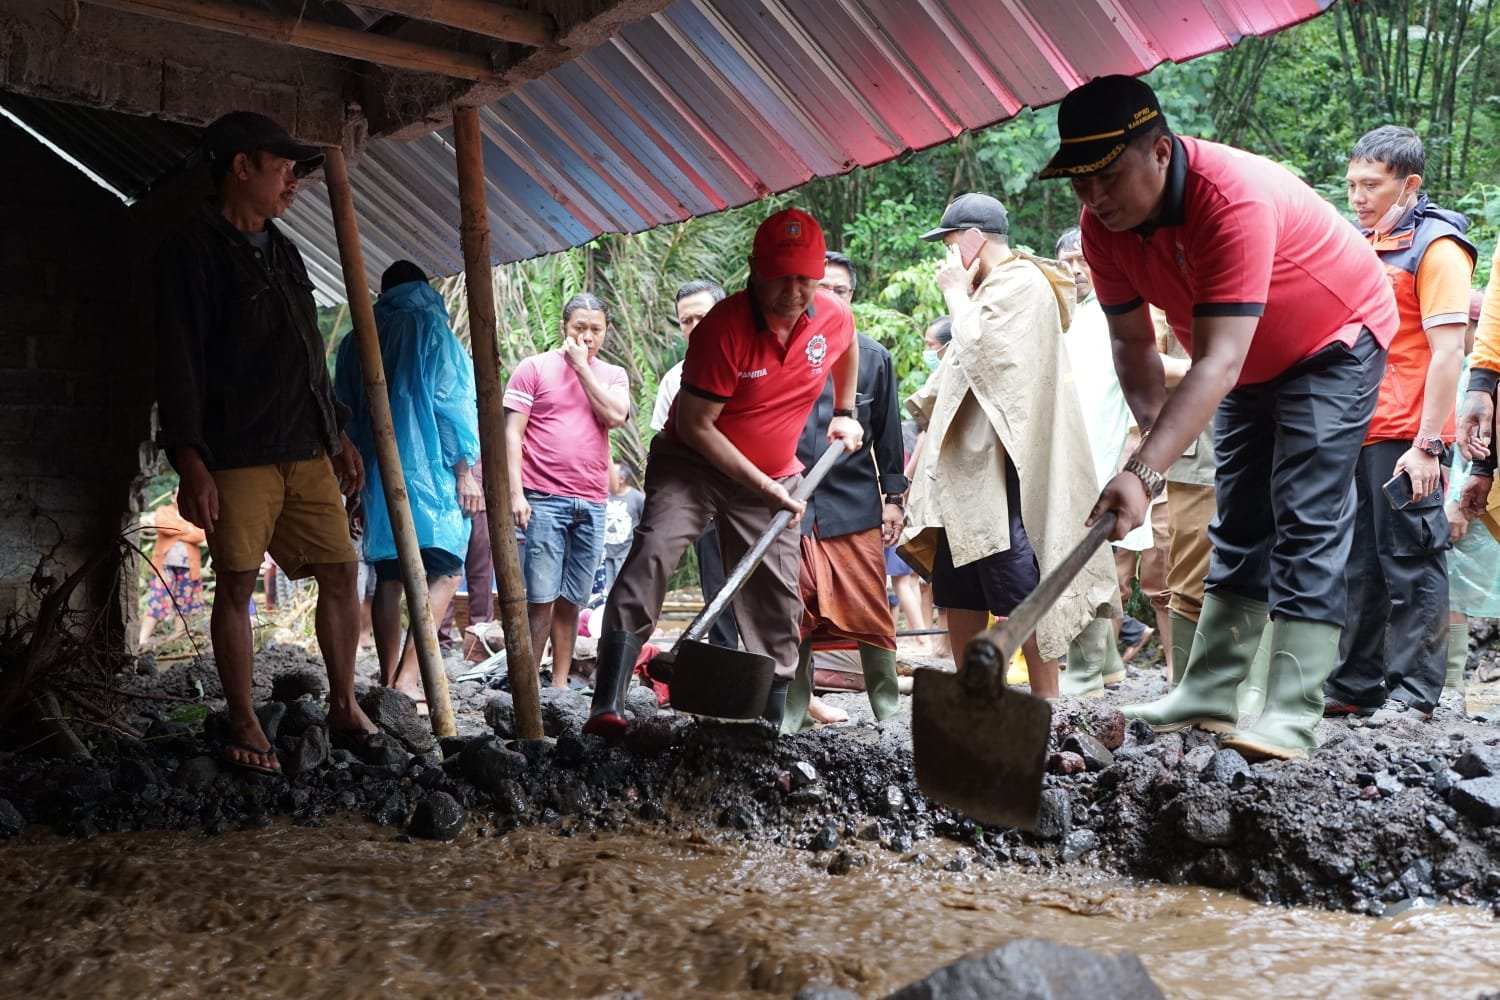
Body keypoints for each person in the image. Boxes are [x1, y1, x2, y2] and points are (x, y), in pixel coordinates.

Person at [1042, 75, 1399, 759]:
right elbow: (1133, 343)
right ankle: (1208, 689)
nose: (1095, 200)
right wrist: (1151, 451)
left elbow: (1217, 362)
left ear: (1160, 152)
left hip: (1335, 340)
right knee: (1237, 518)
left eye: (1109, 177)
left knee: (1306, 513)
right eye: (1080, 185)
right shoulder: (1101, 230)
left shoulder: (1228, 198)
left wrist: (1142, 472)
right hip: (1243, 362)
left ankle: (1291, 712)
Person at [154, 110, 378, 774]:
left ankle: (342, 703)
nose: (293, 181)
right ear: (241, 166)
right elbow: (180, 359)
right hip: (239, 450)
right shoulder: (190, 249)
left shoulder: (282, 249)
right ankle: (245, 718)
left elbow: (308, 349)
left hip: (305, 444)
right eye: (281, 167)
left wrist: (336, 428)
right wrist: (190, 456)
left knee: (340, 570)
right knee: (237, 583)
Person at [584, 208, 863, 738]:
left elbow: (844, 348)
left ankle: (768, 719)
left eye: (806, 277)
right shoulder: (722, 328)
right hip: (693, 462)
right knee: (654, 551)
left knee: (777, 593)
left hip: (774, 471)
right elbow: (696, 426)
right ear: (756, 270)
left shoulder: (830, 315)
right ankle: (609, 699)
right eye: (782, 276)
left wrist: (845, 413)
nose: (795, 290)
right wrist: (763, 486)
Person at [899, 193, 1115, 699]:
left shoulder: (1021, 283)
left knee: (1019, 583)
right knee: (958, 586)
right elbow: (951, 379)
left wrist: (956, 294)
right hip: (964, 476)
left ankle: (1047, 704)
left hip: (1004, 472)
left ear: (973, 240)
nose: (947, 260)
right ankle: (973, 694)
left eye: (951, 246)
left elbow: (986, 354)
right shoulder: (991, 289)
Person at [1321, 126, 1475, 726]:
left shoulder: (1438, 247)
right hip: (1358, 426)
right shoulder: (1362, 239)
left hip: (1410, 433)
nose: (1357, 196)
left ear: (1408, 184)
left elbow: (1448, 353)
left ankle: (1414, 692)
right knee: (1357, 561)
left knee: (1412, 556)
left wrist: (1429, 444)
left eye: (1371, 185)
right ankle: (1354, 682)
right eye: (1352, 183)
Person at [334, 260, 482, 712]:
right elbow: (451, 402)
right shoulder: (432, 329)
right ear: (425, 287)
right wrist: (464, 469)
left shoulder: (356, 337)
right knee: (446, 570)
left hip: (375, 476)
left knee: (389, 576)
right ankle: (409, 678)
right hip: (430, 476)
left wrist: (354, 481)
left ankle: (386, 677)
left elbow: (343, 411)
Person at [783, 250, 907, 732]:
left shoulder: (874, 356)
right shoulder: (785, 350)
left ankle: (888, 710)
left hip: (853, 504)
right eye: (823, 288)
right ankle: (794, 712)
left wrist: (893, 499)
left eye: (842, 290)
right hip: (793, 502)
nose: (832, 298)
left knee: (871, 608)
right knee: (794, 606)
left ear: (853, 297)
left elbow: (890, 435)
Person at [505, 293, 629, 688]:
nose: (587, 336)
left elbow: (613, 415)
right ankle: (525, 685)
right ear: (564, 328)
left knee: (572, 599)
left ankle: (558, 684)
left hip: (592, 501)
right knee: (540, 596)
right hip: (542, 497)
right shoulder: (534, 369)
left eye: (595, 329)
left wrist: (582, 369)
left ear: (605, 332)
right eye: (579, 328)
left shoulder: (613, 376)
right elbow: (511, 434)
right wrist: (515, 493)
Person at [1054, 226, 1153, 695]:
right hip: (1071, 454)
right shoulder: (1066, 318)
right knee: (1084, 558)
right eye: (1067, 262)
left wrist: (1130, 454)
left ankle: (1087, 669)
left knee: (1078, 559)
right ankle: (1109, 662)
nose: (1075, 271)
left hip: (1099, 457)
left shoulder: (1110, 317)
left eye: (1082, 261)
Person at [652, 280, 740, 651]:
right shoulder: (675, 380)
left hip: (764, 501)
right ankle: (726, 690)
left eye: (703, 316)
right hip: (707, 508)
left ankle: (787, 691)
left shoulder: (757, 365)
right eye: (686, 321)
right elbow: (663, 452)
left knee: (777, 598)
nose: (695, 327)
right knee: (718, 597)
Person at [138, 487, 207, 647]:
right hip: (165, 566)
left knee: (183, 604)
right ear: (172, 497)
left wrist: (178, 530)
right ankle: (142, 639)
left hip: (188, 568)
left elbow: (200, 534)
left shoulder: (194, 514)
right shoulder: (164, 511)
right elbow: (163, 526)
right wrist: (187, 528)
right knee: (157, 599)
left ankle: (177, 640)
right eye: (179, 494)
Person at [595, 461, 644, 601]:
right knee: (606, 592)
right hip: (605, 554)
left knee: (625, 591)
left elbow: (645, 524)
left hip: (626, 554)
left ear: (621, 480)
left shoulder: (637, 498)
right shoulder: (603, 495)